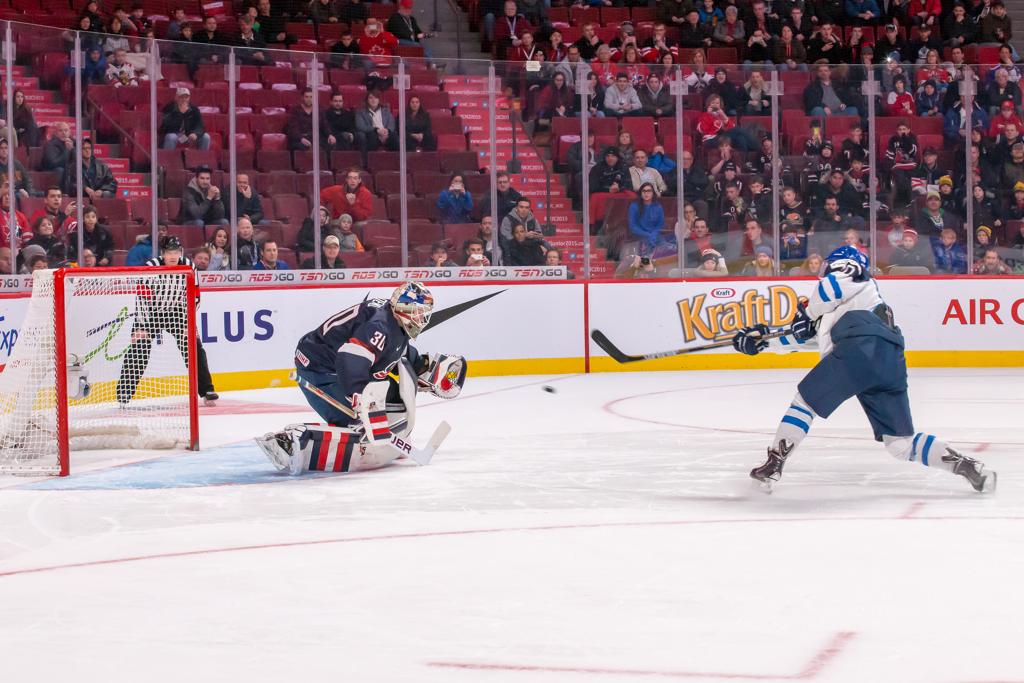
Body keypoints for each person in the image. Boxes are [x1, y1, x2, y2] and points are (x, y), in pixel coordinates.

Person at [732, 245, 995, 492]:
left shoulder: (850, 273)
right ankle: (966, 466)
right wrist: (762, 341)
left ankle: (774, 463)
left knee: (805, 402)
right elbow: (805, 337)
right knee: (900, 443)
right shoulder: (851, 303)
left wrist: (807, 315)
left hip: (860, 347)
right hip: (889, 360)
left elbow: (829, 289)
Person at [255, 282, 466, 475]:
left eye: (424, 314)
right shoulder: (380, 325)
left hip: (338, 366)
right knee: (358, 423)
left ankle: (393, 439)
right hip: (320, 369)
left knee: (393, 398)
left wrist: (423, 368)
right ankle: (288, 444)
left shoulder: (393, 321)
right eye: (418, 313)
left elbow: (395, 350)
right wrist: (358, 393)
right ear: (405, 308)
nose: (422, 319)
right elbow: (351, 357)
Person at [115, 235, 218, 407]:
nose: (173, 256)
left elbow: (195, 297)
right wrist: (142, 327)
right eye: (169, 252)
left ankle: (207, 390)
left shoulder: (189, 266)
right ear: (162, 253)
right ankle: (124, 394)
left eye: (176, 252)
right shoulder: (151, 267)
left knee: (193, 345)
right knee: (139, 347)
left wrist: (188, 323)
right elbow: (142, 298)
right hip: (152, 313)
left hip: (177, 312)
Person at [354, 91, 397, 161]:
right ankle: (370, 162)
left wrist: (387, 131)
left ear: (379, 100)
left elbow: (391, 123)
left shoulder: (386, 111)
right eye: (371, 98)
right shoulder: (361, 112)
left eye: (376, 98)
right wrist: (376, 130)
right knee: (372, 136)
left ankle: (395, 162)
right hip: (372, 133)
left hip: (385, 133)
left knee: (395, 137)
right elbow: (360, 126)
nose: (373, 100)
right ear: (367, 100)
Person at [42, 121, 74, 188]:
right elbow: (54, 163)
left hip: (67, 169)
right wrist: (67, 150)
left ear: (69, 132)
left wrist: (73, 149)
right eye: (60, 131)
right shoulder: (50, 145)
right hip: (52, 169)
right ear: (56, 133)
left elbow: (78, 161)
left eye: (66, 130)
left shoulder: (73, 143)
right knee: (60, 170)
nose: (64, 133)